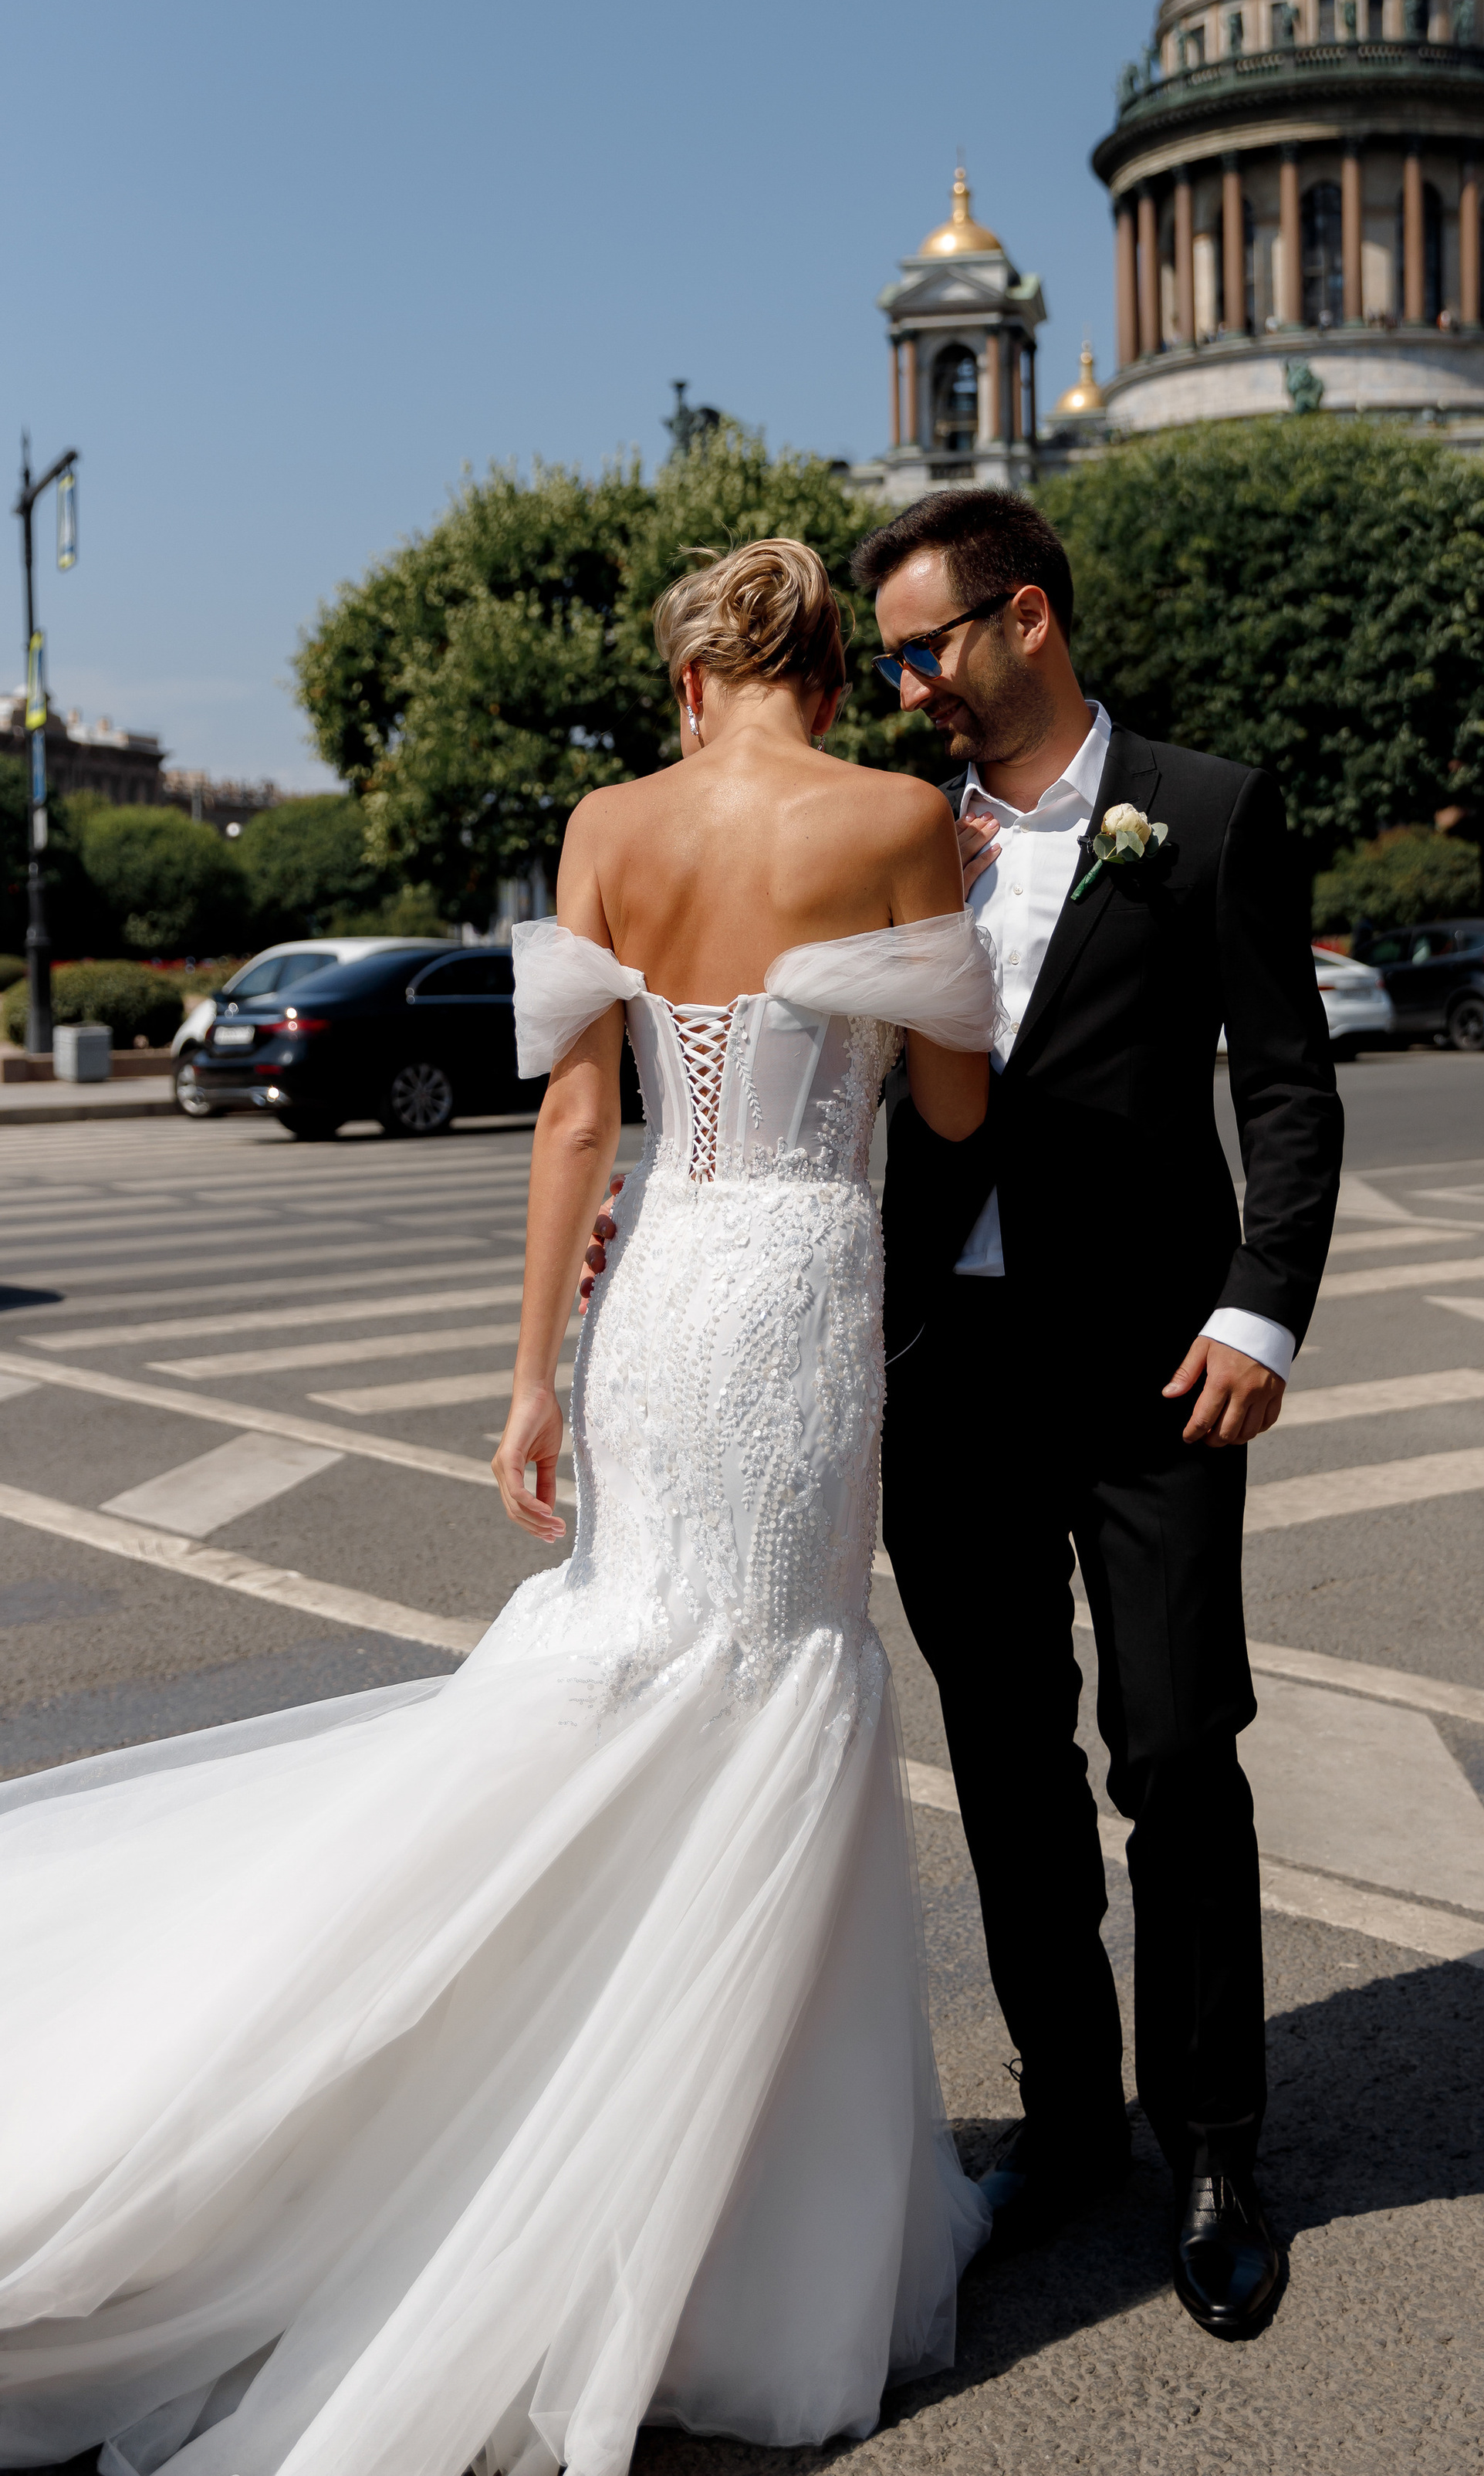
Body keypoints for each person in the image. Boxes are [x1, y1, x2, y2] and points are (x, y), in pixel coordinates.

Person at [0, 539, 998, 2475]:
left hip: (657, 1306)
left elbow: (571, 1121)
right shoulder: (897, 819)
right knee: (778, 1686)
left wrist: (533, 1373)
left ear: (700, 677)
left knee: (638, 1674)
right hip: (796, 1299)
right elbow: (953, 1114)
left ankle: (534, 2129)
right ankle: (721, 2232)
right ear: (813, 661)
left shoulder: (606, 827)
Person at [856, 488, 1340, 2339]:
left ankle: (1213, 2139)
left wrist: (1261, 1309)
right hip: (946, 1377)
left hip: (1155, 1370)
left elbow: (1288, 1089)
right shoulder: (892, 833)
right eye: (892, 654)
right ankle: (1066, 2119)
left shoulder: (1203, 812)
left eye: (928, 647)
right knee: (1003, 1759)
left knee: (1173, 1750)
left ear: (1028, 620)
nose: (905, 687)